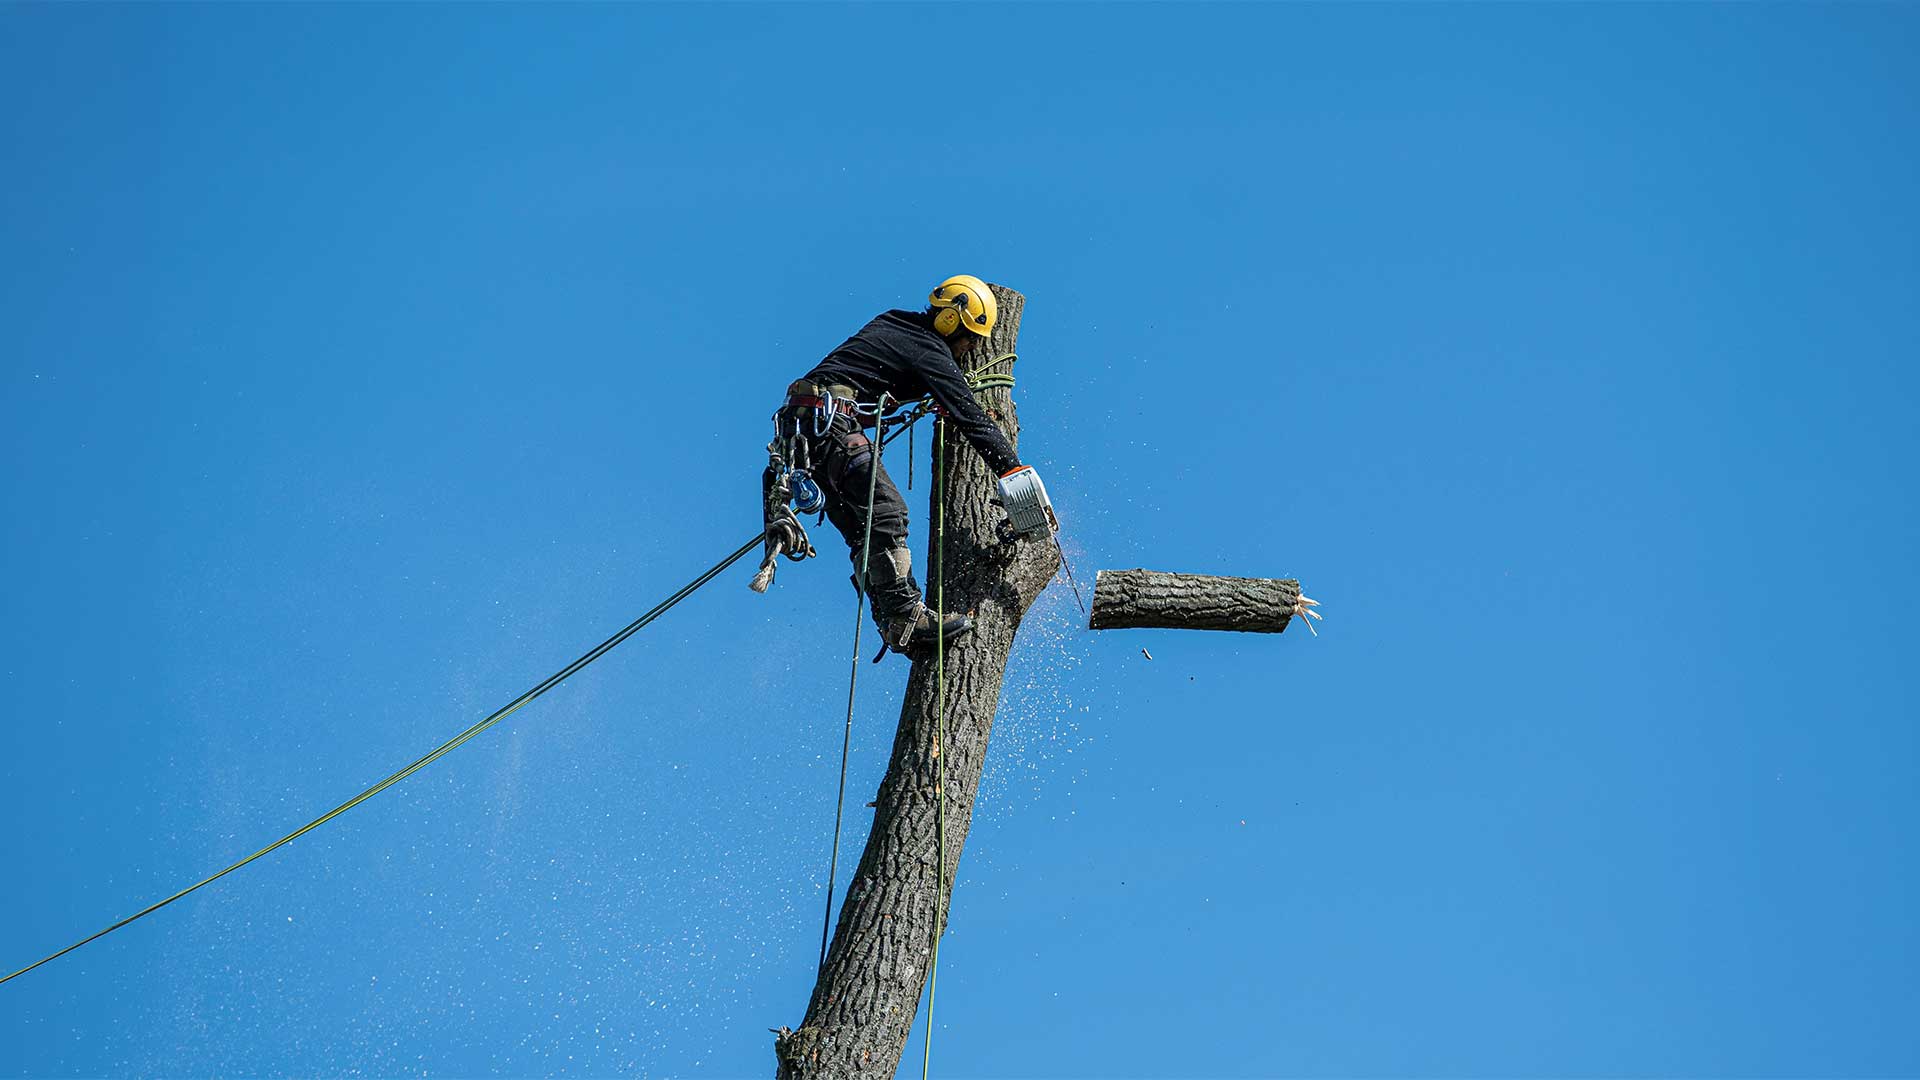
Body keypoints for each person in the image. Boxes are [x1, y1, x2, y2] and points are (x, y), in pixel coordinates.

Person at [759, 275, 1055, 657]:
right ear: (950, 323)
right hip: (829, 426)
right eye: (970, 340)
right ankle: (904, 614)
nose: (968, 350)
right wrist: (1015, 473)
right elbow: (972, 418)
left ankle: (894, 622)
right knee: (887, 511)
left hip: (806, 436)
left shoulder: (896, 322)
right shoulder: (927, 347)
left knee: (864, 533)